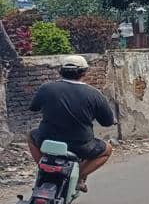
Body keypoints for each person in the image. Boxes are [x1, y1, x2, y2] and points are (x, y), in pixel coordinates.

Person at [26, 55, 115, 193]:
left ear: (61, 71)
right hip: (80, 145)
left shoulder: (46, 88)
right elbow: (107, 122)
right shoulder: (95, 94)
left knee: (31, 136)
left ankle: (43, 168)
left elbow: (33, 108)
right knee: (107, 149)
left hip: (46, 140)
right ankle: (78, 177)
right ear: (84, 72)